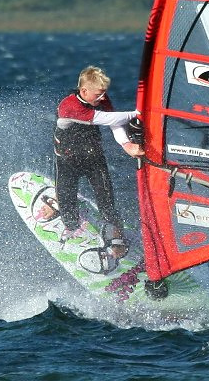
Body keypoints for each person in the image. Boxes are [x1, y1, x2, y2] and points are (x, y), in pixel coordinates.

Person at [52, 66, 144, 271]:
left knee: (106, 199)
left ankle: (116, 235)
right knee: (66, 198)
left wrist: (126, 145)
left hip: (94, 158)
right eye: (98, 93)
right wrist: (138, 113)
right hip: (68, 161)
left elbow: (115, 124)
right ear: (84, 91)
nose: (102, 97)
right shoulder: (69, 106)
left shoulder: (101, 100)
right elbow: (106, 119)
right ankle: (72, 228)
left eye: (104, 93)